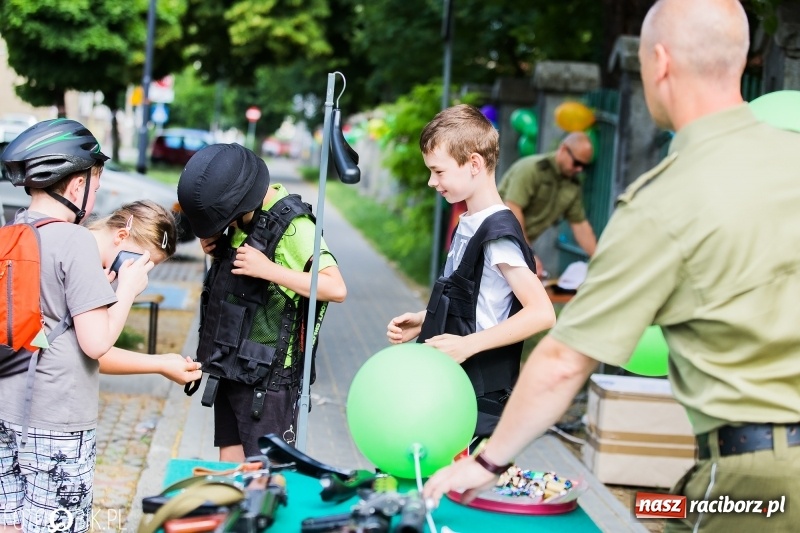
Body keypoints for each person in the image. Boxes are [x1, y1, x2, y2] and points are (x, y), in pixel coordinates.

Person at [423, 1, 800, 532]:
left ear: (660, 63)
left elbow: (562, 363)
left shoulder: (666, 198)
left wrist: (487, 464)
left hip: (760, 483)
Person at [0, 119, 202, 533]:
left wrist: (159, 361)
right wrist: (127, 288)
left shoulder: (16, 229)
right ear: (77, 186)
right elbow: (96, 345)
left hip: (7, 411)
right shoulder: (73, 241)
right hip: (56, 421)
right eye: (95, 179)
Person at [387, 104, 556, 441]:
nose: (432, 182)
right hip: (451, 387)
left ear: (474, 164)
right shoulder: (468, 223)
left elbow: (542, 314)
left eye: (439, 171)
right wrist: (425, 318)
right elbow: (475, 300)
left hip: (478, 395)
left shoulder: (499, 235)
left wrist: (467, 345)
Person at [177, 143, 347, 462]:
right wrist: (218, 248)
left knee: (263, 480)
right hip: (231, 368)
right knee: (230, 474)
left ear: (240, 202)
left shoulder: (296, 228)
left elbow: (335, 288)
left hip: (269, 382)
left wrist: (270, 270)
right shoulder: (244, 218)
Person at [498, 131, 597, 276]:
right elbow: (512, 210)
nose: (579, 169)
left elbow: (580, 225)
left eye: (584, 166)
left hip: (517, 247)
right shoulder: (531, 169)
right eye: (576, 163)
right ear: (563, 149)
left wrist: (599, 260)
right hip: (493, 237)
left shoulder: (572, 186)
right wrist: (528, 253)